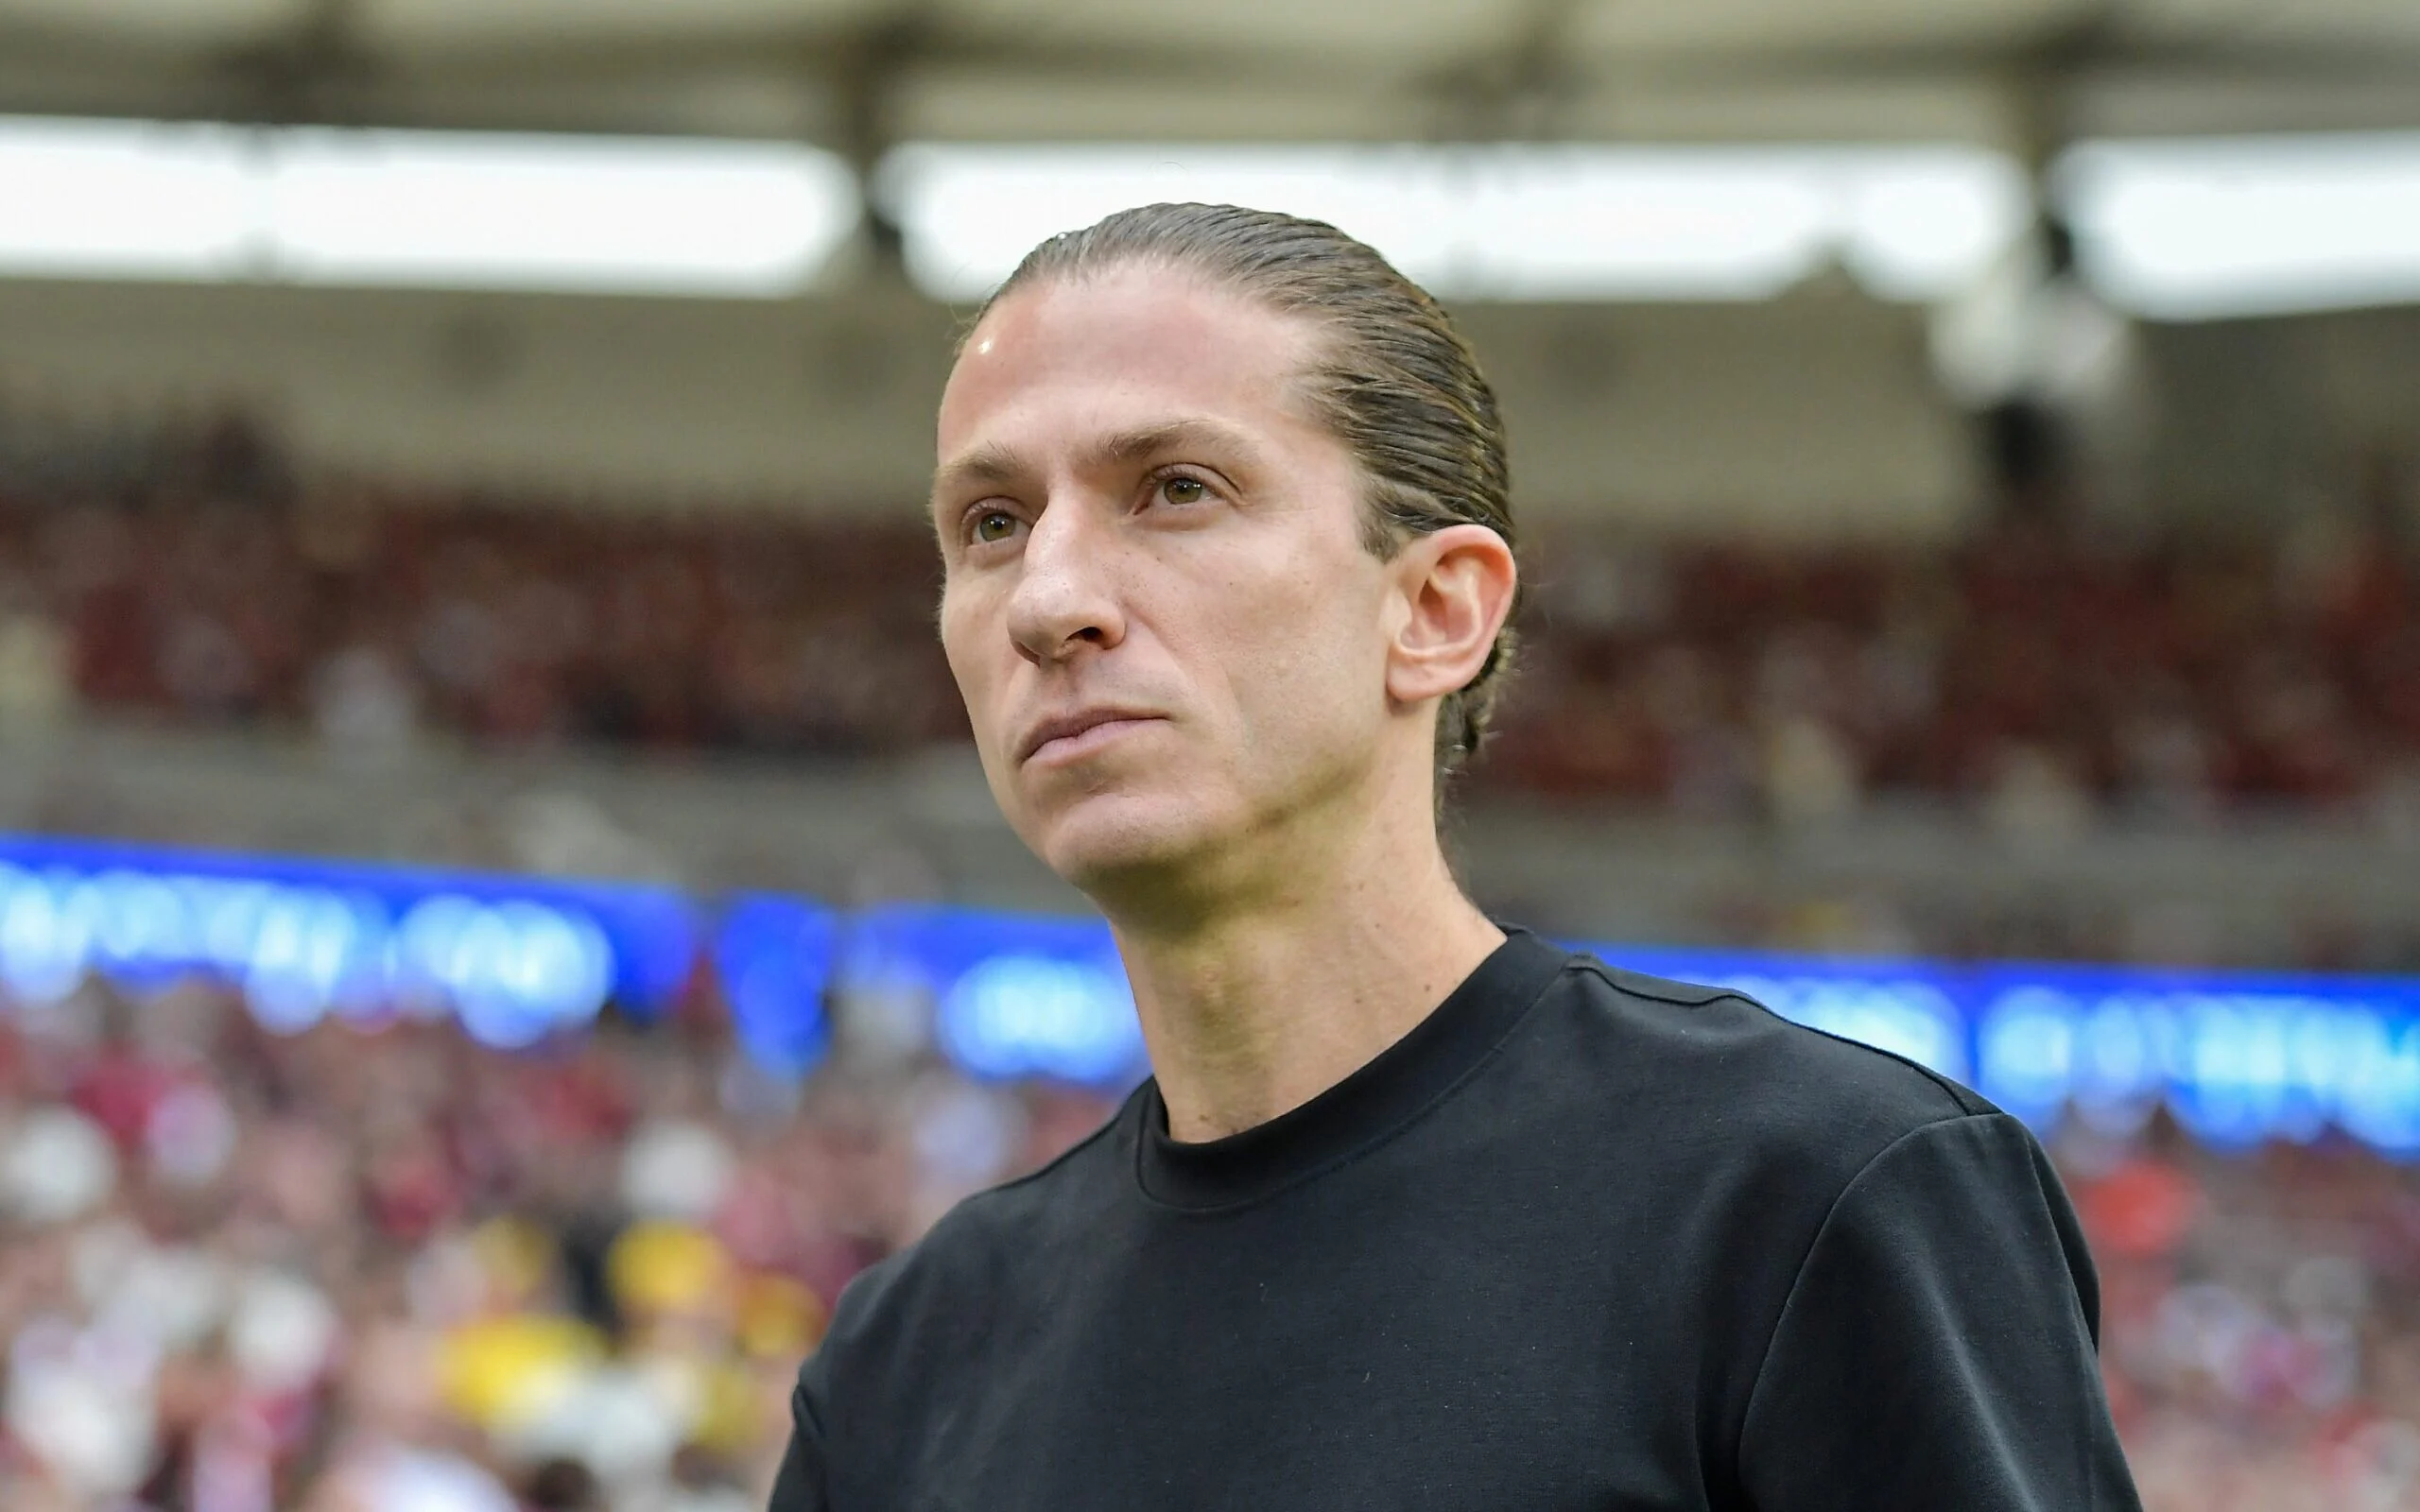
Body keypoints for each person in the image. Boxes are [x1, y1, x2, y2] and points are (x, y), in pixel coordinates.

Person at [769, 203, 2141, 1510]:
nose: (1049, 599)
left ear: (1436, 610)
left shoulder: (1812, 1200)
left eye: (1177, 489)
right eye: (992, 523)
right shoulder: (902, 1371)